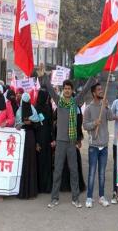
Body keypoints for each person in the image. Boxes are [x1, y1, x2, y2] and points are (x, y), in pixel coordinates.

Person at [39, 66, 96, 209]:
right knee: (57, 170)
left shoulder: (75, 102)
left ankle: (75, 198)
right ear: (63, 90)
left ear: (71, 91)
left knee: (74, 171)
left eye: (69, 88)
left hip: (71, 142)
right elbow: (51, 89)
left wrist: (92, 76)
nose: (67, 90)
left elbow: (85, 90)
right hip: (60, 142)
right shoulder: (58, 101)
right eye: (65, 88)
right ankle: (54, 198)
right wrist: (44, 76)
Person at [83, 83, 113, 208]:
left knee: (102, 173)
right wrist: (94, 123)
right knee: (92, 172)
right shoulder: (89, 108)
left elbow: (111, 117)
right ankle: (89, 197)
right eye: (99, 90)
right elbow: (85, 125)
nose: (101, 91)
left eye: (102, 89)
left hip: (104, 146)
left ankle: (101, 197)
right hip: (93, 146)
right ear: (94, 93)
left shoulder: (104, 106)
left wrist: (107, 107)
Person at [16, 93, 41, 199]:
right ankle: (22, 190)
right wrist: (22, 124)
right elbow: (16, 125)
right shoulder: (18, 111)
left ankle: (31, 191)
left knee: (30, 163)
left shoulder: (33, 111)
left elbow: (38, 124)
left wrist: (31, 122)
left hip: (30, 138)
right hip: (22, 138)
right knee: (22, 163)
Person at [35, 89, 55, 194]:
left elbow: (36, 125)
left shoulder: (37, 108)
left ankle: (41, 187)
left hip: (41, 138)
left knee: (41, 163)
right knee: (46, 163)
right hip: (46, 137)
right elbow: (51, 124)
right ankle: (46, 186)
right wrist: (52, 139)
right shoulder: (46, 108)